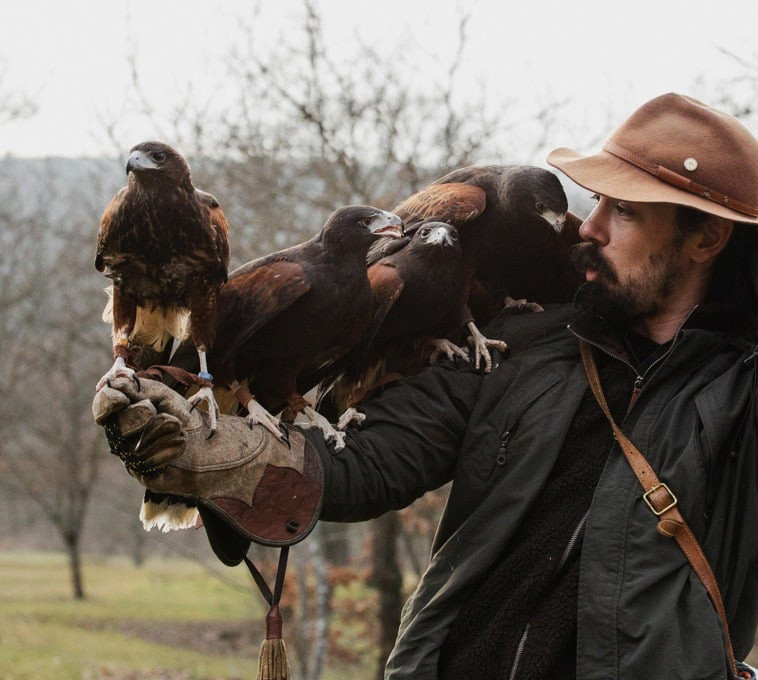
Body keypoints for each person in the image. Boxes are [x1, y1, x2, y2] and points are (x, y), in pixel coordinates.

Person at [93, 93, 758, 679]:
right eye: (599, 202)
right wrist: (217, 456)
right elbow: (372, 462)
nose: (590, 227)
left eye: (626, 214)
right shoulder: (525, 348)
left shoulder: (741, 399)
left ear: (707, 240)